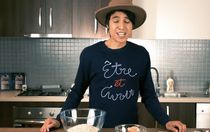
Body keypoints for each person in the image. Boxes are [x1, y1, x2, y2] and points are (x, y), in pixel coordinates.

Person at [40, 0, 187, 132]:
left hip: (128, 129)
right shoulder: (90, 54)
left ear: (132, 26)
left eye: (127, 21)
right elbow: (77, 92)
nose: (121, 26)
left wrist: (166, 121)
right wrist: (59, 119)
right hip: (98, 129)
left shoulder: (141, 54)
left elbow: (148, 95)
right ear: (107, 25)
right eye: (116, 20)